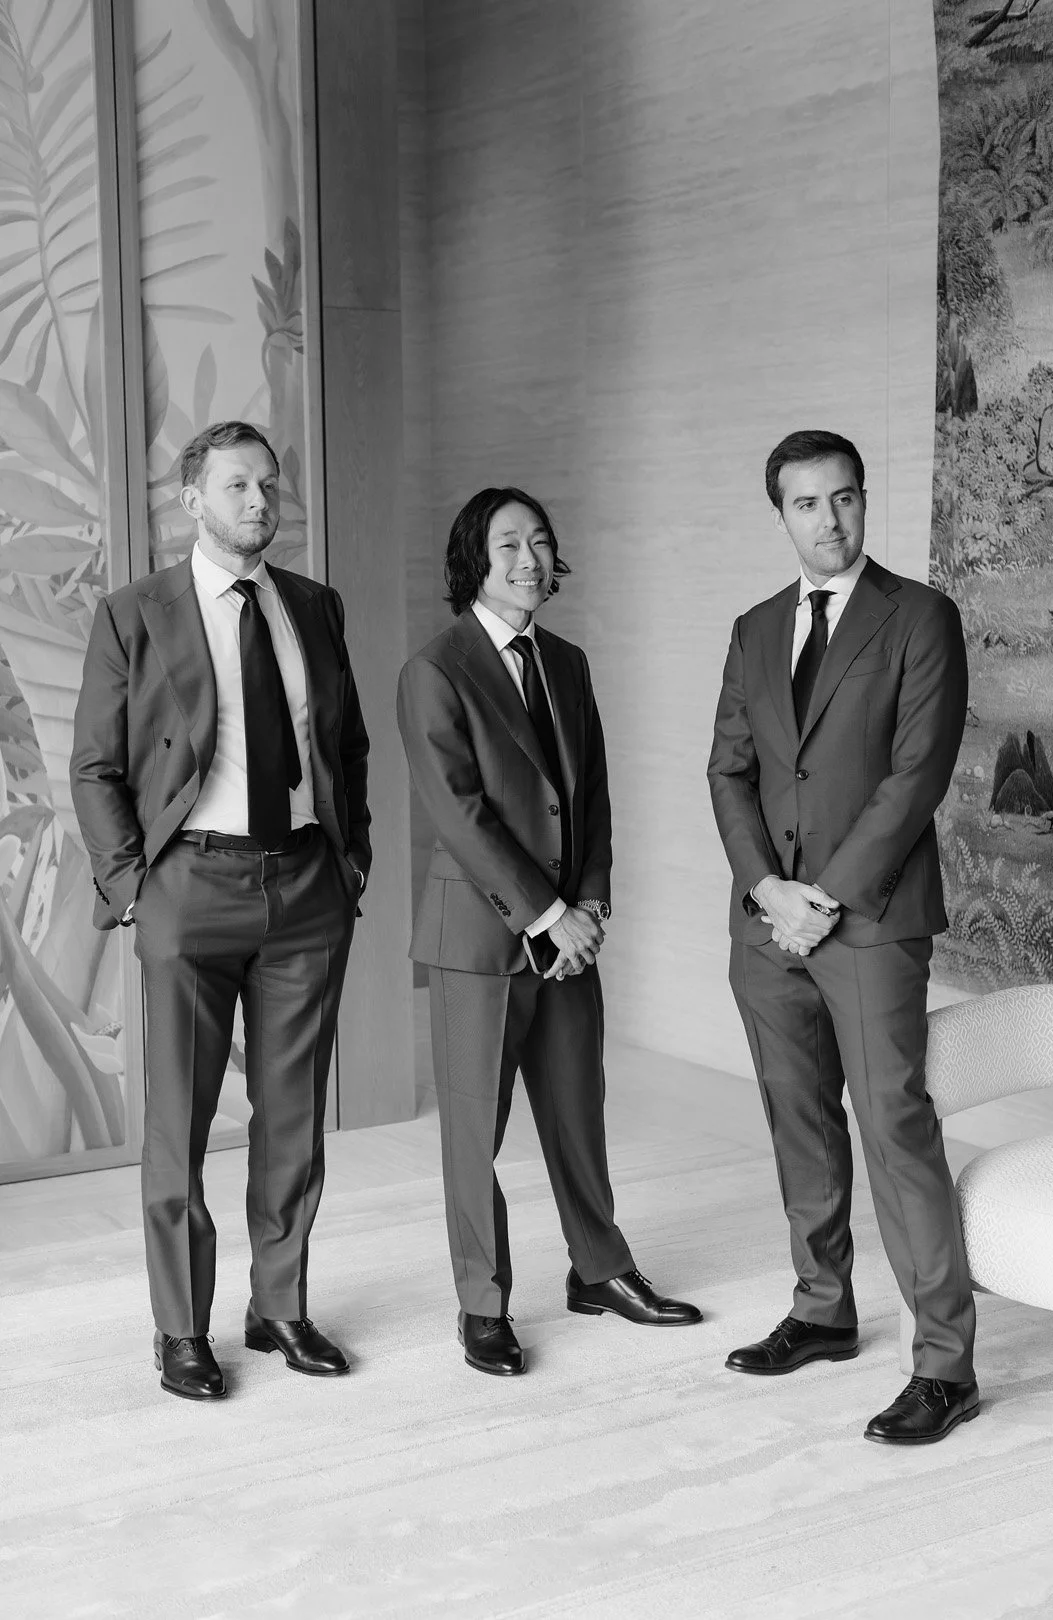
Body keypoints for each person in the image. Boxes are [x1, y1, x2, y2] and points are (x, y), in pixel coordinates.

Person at [70, 420, 371, 1401]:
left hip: (302, 887)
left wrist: (349, 864)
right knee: (179, 1124)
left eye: (269, 484)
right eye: (239, 485)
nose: (260, 500)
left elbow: (348, 747)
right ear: (192, 500)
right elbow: (96, 767)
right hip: (188, 890)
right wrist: (131, 894)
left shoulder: (314, 608)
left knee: (294, 1121)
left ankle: (279, 1306)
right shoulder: (135, 613)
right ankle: (181, 1328)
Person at [707, 429, 978, 1445]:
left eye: (847, 499)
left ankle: (945, 1363)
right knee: (799, 1121)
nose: (832, 519)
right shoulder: (754, 627)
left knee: (894, 1125)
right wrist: (766, 888)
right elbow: (727, 769)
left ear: (867, 502)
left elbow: (918, 775)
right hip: (766, 925)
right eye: (809, 504)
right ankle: (822, 1309)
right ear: (781, 514)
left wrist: (824, 897)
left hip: (868, 924)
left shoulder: (920, 618)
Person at [397, 487, 701, 1376]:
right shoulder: (437, 667)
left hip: (573, 934)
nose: (528, 559)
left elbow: (593, 791)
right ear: (473, 561)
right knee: (473, 1133)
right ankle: (482, 1303)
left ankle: (600, 1271)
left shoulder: (566, 660)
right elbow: (459, 814)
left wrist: (593, 901)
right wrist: (547, 914)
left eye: (539, 541)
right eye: (508, 544)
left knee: (578, 1112)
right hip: (484, 941)